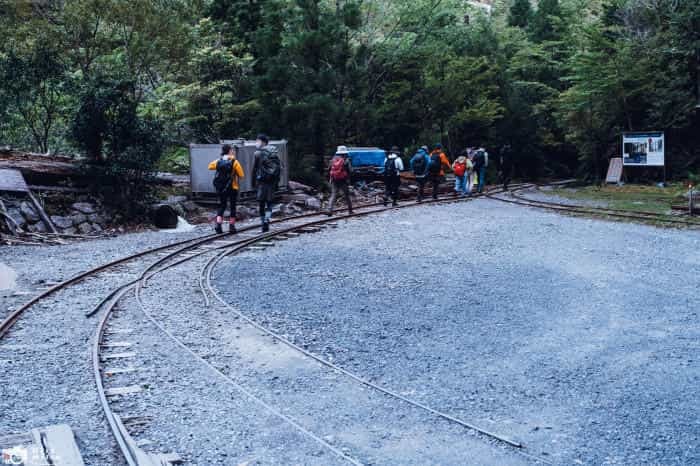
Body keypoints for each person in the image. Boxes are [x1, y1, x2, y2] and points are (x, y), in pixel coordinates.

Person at [208, 144, 244, 234]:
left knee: (222, 206)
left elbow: (210, 167)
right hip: (232, 187)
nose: (233, 151)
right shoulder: (234, 162)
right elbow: (241, 175)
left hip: (221, 187)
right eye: (232, 150)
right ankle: (231, 226)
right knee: (232, 207)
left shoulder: (218, 161)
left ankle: (218, 225)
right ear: (230, 151)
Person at [252, 133, 281, 232]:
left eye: (257, 141)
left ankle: (262, 222)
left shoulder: (257, 154)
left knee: (261, 203)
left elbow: (255, 169)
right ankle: (267, 220)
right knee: (269, 203)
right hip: (272, 181)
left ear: (263, 142)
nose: (256, 142)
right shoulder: (274, 152)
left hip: (262, 181)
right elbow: (278, 168)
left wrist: (253, 182)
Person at [327, 146, 353, 216]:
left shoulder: (333, 159)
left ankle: (329, 210)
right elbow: (350, 170)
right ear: (345, 153)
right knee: (347, 195)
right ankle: (350, 210)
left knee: (333, 194)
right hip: (343, 180)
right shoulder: (346, 160)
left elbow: (329, 169)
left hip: (334, 179)